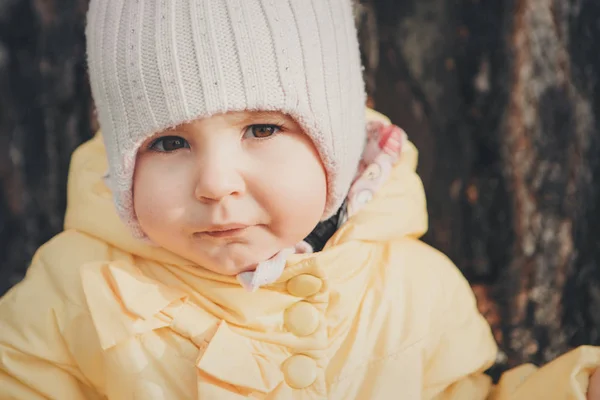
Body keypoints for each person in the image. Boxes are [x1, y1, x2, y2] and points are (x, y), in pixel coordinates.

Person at [1, 0, 600, 398]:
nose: (215, 183)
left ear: (335, 142)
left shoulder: (410, 287)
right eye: (169, 141)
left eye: (262, 130)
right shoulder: (77, 288)